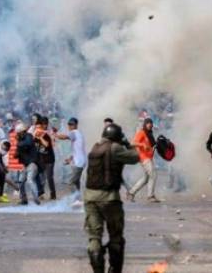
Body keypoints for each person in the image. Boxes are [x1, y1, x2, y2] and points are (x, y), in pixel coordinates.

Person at [84, 123, 139, 273]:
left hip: (90, 198)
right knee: (116, 237)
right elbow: (136, 157)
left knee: (94, 238)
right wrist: (127, 143)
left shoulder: (95, 147)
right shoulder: (115, 148)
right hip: (109, 198)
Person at [127, 117, 160, 203]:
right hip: (144, 157)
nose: (149, 125)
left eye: (151, 123)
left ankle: (131, 193)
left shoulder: (150, 134)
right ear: (145, 124)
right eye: (148, 123)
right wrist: (142, 145)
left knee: (146, 178)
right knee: (153, 174)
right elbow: (132, 143)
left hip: (149, 158)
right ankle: (150, 196)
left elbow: (152, 145)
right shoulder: (141, 132)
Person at [56, 117, 87, 202]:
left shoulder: (74, 132)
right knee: (76, 182)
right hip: (80, 161)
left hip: (79, 163)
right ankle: (78, 199)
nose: (70, 126)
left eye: (72, 124)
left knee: (71, 182)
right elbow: (78, 149)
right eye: (69, 124)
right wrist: (70, 158)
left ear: (76, 125)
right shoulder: (79, 134)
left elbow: (64, 137)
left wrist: (55, 134)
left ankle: (77, 200)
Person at [15, 122, 40, 205]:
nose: (17, 135)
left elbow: (28, 143)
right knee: (21, 182)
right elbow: (17, 154)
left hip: (32, 164)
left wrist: (18, 143)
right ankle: (24, 199)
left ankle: (36, 199)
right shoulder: (21, 141)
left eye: (18, 133)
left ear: (22, 132)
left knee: (30, 180)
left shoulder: (28, 136)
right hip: (25, 165)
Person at [34, 117, 56, 200]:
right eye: (42, 124)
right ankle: (40, 193)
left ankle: (53, 194)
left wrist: (40, 138)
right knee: (39, 176)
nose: (44, 126)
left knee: (49, 177)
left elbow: (46, 145)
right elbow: (35, 146)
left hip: (49, 160)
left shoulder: (46, 135)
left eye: (45, 124)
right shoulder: (36, 135)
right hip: (41, 159)